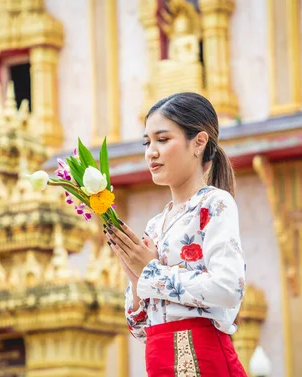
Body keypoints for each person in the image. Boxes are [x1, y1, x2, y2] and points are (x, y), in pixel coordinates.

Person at [105, 92, 247, 376]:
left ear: (199, 142)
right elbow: (139, 326)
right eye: (147, 142)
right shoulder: (155, 225)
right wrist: (135, 281)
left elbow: (229, 288)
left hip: (201, 356)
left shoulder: (215, 204)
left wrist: (149, 272)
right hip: (157, 358)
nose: (151, 152)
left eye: (163, 139)